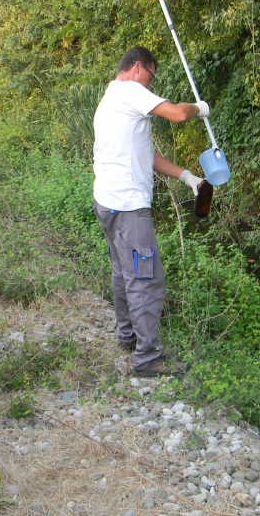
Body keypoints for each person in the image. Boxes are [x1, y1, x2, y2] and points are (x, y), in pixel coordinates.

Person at [93, 46, 209, 377]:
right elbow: (178, 114)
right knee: (146, 279)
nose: (149, 85)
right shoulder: (130, 91)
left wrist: (187, 177)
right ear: (138, 68)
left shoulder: (110, 100)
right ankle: (147, 359)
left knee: (123, 272)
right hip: (129, 208)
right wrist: (200, 108)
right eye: (151, 77)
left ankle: (127, 338)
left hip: (108, 202)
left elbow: (147, 155)